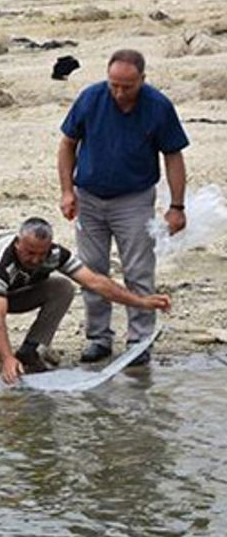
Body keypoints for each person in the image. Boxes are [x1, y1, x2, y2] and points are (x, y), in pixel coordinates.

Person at [57, 48, 189, 366]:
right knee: (92, 269)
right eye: (113, 84)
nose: (118, 92)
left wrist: (177, 206)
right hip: (89, 196)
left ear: (142, 80)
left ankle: (140, 340)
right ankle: (99, 338)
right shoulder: (90, 98)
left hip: (134, 198)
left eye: (127, 86)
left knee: (139, 270)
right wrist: (66, 191)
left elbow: (173, 156)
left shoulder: (158, 106)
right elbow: (67, 144)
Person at [0, 217, 173, 384]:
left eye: (41, 254)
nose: (35, 260)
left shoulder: (54, 255)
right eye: (29, 253)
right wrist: (6, 358)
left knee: (62, 287)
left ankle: (29, 351)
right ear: (17, 243)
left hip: (15, 291)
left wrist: (142, 302)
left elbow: (96, 282)